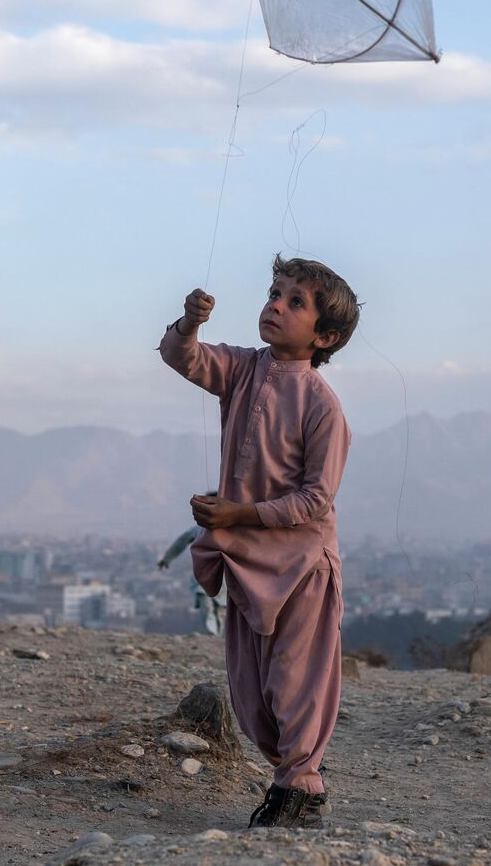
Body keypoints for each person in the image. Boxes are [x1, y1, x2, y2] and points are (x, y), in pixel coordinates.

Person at [159, 255, 358, 830]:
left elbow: (315, 499)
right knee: (250, 689)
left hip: (301, 567)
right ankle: (287, 777)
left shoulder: (323, 406)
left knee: (295, 678)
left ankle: (300, 786)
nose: (275, 304)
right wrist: (189, 322)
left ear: (326, 335)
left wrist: (238, 511)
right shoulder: (244, 369)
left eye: (296, 301)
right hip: (246, 561)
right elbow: (183, 357)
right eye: (275, 293)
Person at [157, 524, 227, 636]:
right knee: (206, 605)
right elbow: (181, 542)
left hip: (224, 579)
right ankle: (211, 634)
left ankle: (216, 637)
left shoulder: (230, 529)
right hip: (204, 576)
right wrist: (167, 558)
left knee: (219, 610)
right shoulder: (199, 529)